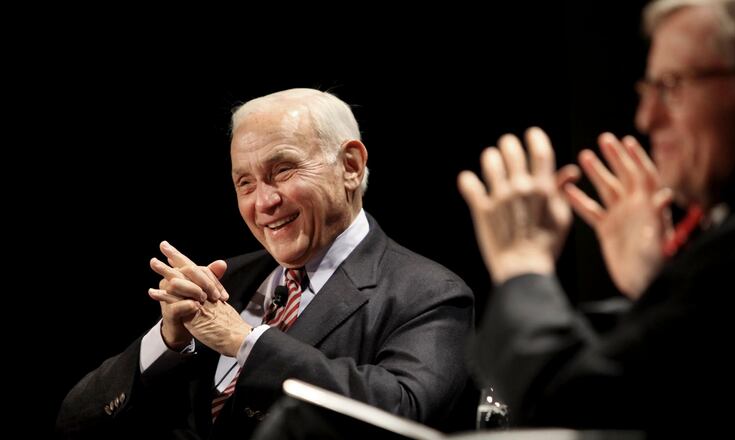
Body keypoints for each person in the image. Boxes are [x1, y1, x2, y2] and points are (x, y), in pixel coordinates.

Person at [57, 88, 474, 439]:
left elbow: (405, 414)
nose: (264, 202)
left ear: (350, 166)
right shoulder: (225, 282)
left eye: (283, 170)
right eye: (245, 183)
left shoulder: (430, 294)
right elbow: (74, 424)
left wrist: (245, 341)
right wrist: (168, 342)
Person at [459, 0, 735, 432]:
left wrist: (522, 265)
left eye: (673, 86)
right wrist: (655, 285)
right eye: (648, 90)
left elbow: (575, 409)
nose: (646, 118)